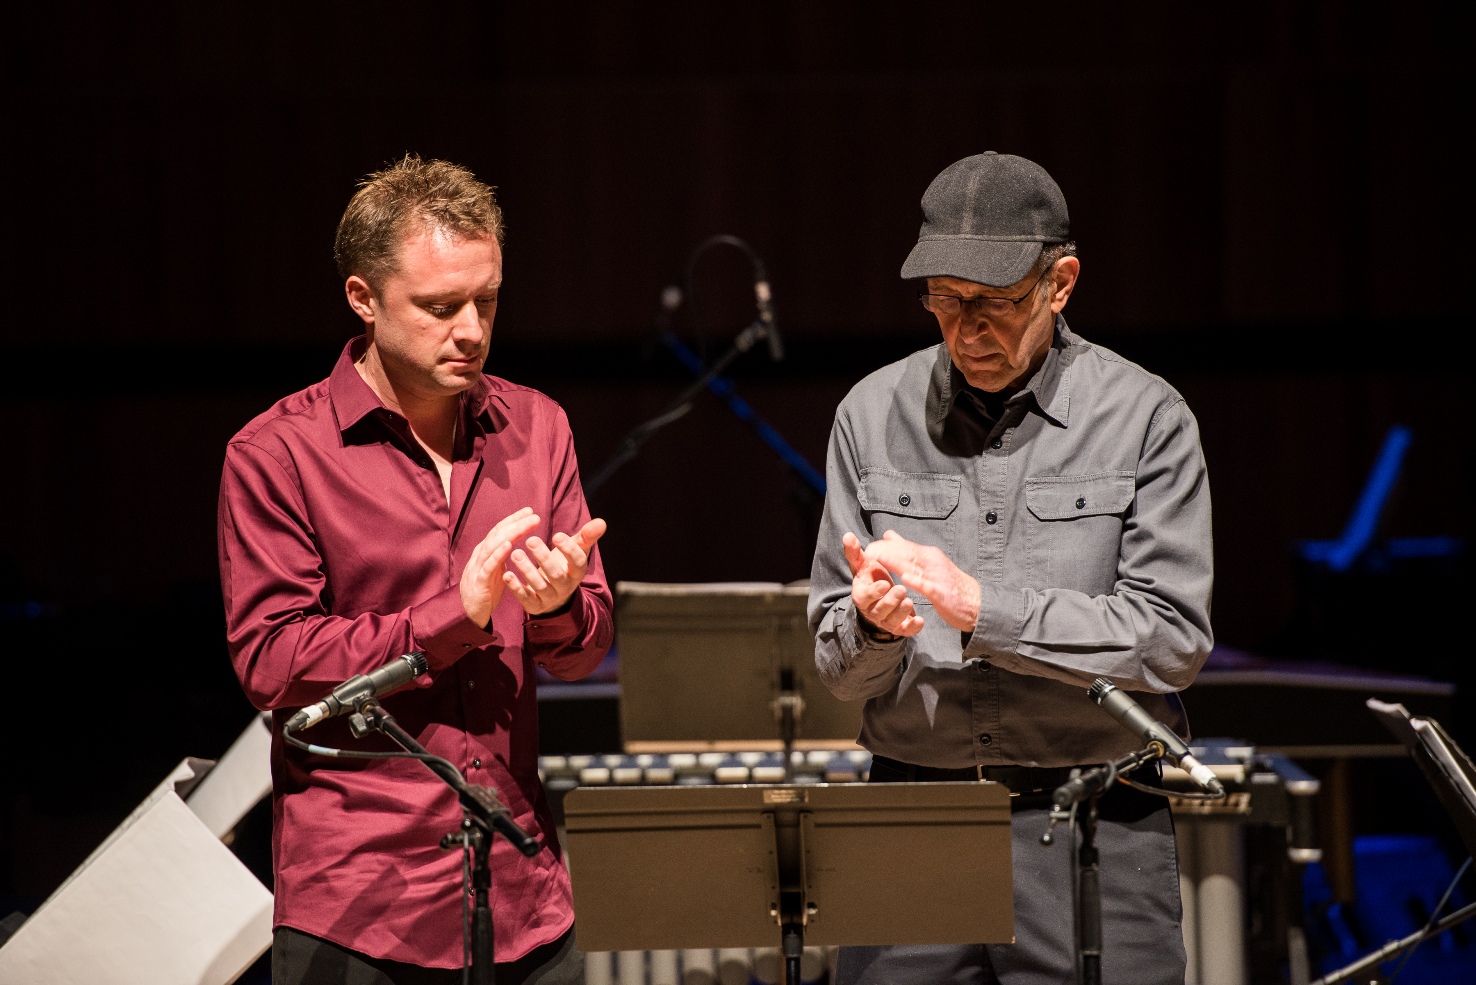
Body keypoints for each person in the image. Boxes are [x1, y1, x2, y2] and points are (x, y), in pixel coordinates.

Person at [808, 151, 1213, 984]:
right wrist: (874, 629)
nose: (965, 330)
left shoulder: (1146, 417)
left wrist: (980, 606)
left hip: (1097, 828)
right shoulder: (868, 414)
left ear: (1060, 283)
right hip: (911, 824)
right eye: (945, 302)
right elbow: (836, 667)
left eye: (993, 303)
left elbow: (1173, 641)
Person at [218, 155, 610, 985]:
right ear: (363, 299)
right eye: (439, 307)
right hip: (363, 907)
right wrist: (449, 619)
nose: (470, 328)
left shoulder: (538, 426)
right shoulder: (277, 453)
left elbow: (580, 653)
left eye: (487, 300)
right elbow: (270, 661)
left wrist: (559, 609)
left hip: (524, 891)